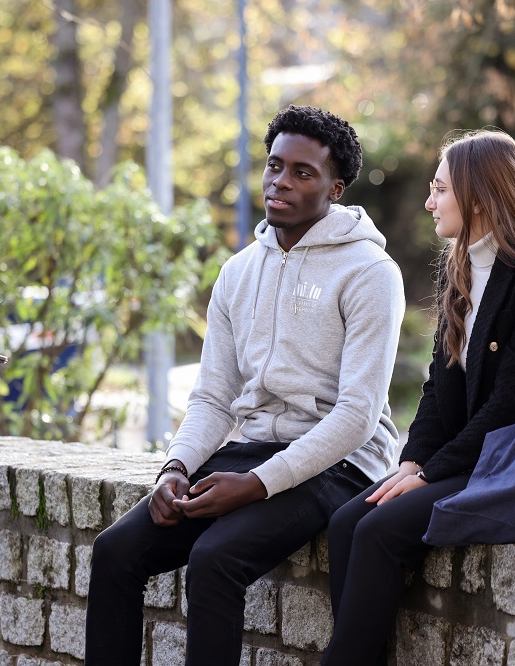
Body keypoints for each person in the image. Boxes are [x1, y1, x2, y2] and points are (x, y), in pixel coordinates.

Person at [84, 105, 405, 666]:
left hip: (341, 461)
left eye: (302, 173)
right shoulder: (238, 271)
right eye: (274, 166)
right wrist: (176, 467)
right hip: (252, 449)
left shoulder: (371, 273)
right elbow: (212, 397)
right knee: (116, 551)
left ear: (336, 187)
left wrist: (256, 485)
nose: (280, 182)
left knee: (215, 559)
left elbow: (356, 415)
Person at [320, 129, 515, 665]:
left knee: (380, 529)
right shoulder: (461, 269)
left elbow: (514, 407)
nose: (430, 202)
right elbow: (439, 388)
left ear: (481, 194)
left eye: (441, 190)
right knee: (345, 521)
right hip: (476, 458)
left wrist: (428, 474)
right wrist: (412, 461)